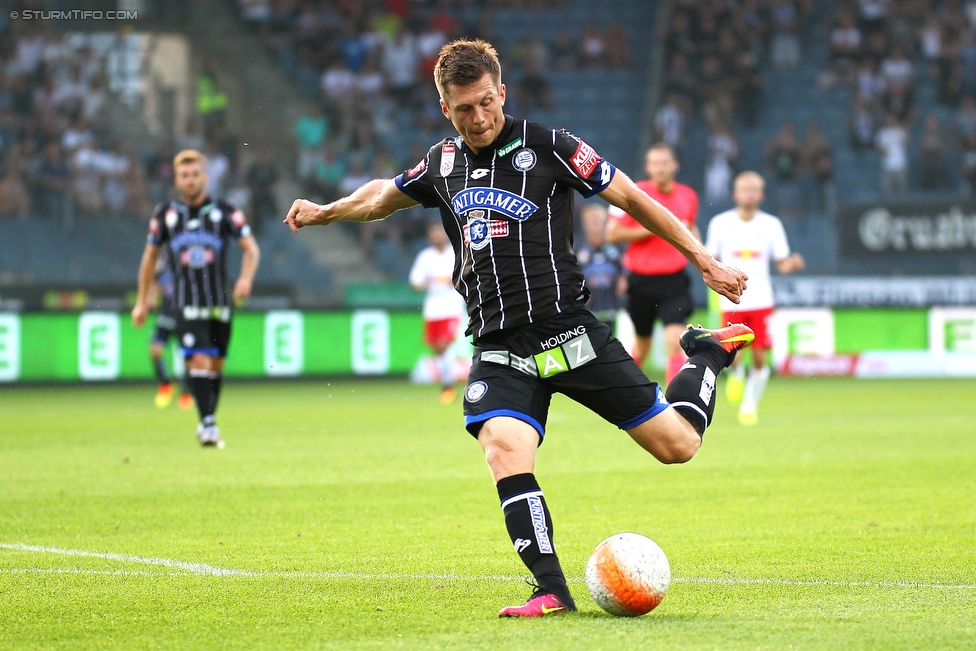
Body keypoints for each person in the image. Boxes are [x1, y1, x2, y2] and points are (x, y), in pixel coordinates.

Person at [284, 39, 752, 618]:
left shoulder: (551, 147)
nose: (479, 119)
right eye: (464, 110)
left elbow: (631, 197)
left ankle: (705, 356)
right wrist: (328, 211)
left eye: (486, 103)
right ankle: (551, 589)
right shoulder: (441, 163)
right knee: (503, 448)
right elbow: (384, 195)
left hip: (568, 336)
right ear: (445, 109)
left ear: (502, 91)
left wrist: (703, 259)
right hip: (499, 346)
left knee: (678, 447)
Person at [132, 149, 261, 447]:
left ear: (205, 177)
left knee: (215, 366)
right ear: (176, 180)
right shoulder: (164, 215)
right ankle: (208, 425)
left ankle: (208, 419)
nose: (190, 181)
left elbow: (251, 249)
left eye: (194, 175)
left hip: (219, 303)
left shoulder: (227, 211)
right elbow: (149, 260)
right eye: (184, 176)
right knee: (198, 359)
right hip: (185, 303)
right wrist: (142, 302)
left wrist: (245, 278)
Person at [704, 172, 804, 427]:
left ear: (761, 195)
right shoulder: (720, 223)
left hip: (762, 299)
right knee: (734, 354)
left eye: (754, 189)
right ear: (735, 194)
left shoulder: (771, 225)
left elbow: (782, 264)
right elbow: (709, 259)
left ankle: (749, 405)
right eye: (744, 189)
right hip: (731, 299)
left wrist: (793, 263)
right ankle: (736, 374)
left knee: (760, 357)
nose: (749, 193)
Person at [607, 143, 700, 385]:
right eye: (655, 163)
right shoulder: (634, 193)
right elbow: (613, 234)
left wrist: (703, 256)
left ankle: (674, 402)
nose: (660, 168)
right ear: (648, 167)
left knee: (675, 340)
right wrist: (654, 227)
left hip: (674, 280)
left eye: (665, 163)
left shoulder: (688, 195)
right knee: (643, 344)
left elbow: (690, 228)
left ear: (675, 165)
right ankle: (624, 388)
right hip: (641, 281)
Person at [409, 220, 467, 405]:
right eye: (432, 233)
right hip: (433, 309)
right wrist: (426, 283)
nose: (436, 236)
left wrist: (456, 281)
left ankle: (448, 387)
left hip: (452, 307)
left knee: (444, 344)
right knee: (437, 349)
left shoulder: (455, 253)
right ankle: (447, 383)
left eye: (438, 232)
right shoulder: (425, 257)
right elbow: (414, 282)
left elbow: (467, 273)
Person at [147, 247, 193, 411]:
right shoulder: (163, 263)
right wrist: (150, 299)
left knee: (189, 357)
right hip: (165, 314)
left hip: (184, 316)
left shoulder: (190, 261)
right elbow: (154, 281)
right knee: (155, 350)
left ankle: (186, 393)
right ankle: (166, 384)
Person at [575, 203, 623, 332]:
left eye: (598, 220)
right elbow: (571, 274)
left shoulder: (615, 246)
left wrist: (624, 278)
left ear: (605, 222)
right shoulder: (578, 249)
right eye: (591, 221)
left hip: (614, 303)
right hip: (588, 306)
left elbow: (625, 265)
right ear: (584, 224)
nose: (595, 224)